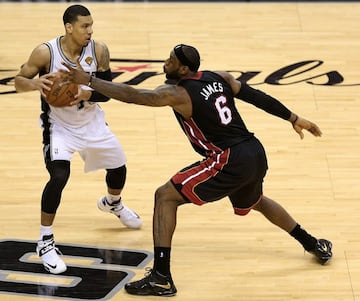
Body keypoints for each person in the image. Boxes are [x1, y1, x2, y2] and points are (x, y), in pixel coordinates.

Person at [61, 44, 332, 296]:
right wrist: (293, 118)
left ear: (182, 69)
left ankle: (161, 276)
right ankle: (312, 243)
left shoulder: (177, 93)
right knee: (257, 201)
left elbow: (134, 95)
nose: (165, 63)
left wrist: (90, 81)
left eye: (170, 61)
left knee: (165, 196)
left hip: (228, 158)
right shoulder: (219, 77)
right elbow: (255, 96)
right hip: (253, 150)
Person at [14, 4, 142, 275]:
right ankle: (45, 241)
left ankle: (112, 204)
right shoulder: (45, 52)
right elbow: (18, 81)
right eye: (84, 26)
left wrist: (85, 94)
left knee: (119, 168)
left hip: (91, 122)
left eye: (91, 25)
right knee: (59, 176)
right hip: (58, 126)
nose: (90, 31)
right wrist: (35, 84)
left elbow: (108, 92)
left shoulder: (99, 50)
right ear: (69, 27)